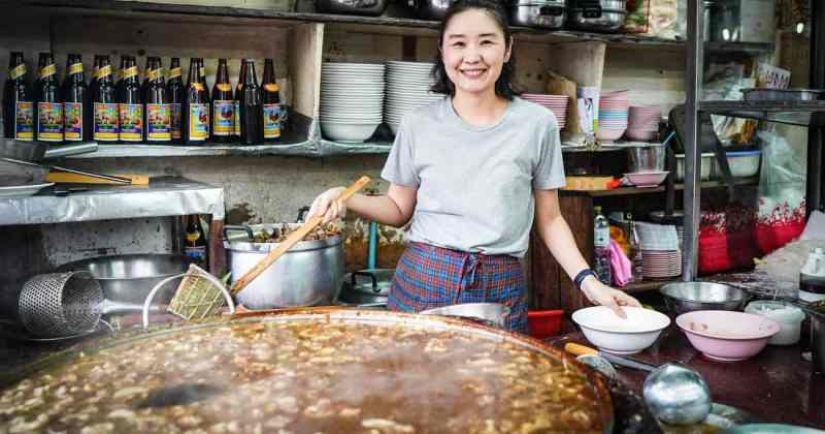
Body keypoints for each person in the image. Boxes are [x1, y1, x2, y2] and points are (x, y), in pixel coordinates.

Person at [308, 0, 641, 333]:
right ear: (442, 51)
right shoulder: (417, 123)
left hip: (501, 283)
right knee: (413, 381)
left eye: (486, 41)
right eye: (458, 43)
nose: (472, 56)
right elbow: (398, 208)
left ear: (508, 49)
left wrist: (589, 282)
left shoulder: (537, 124)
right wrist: (345, 196)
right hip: (424, 276)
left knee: (496, 382)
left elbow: (550, 219)